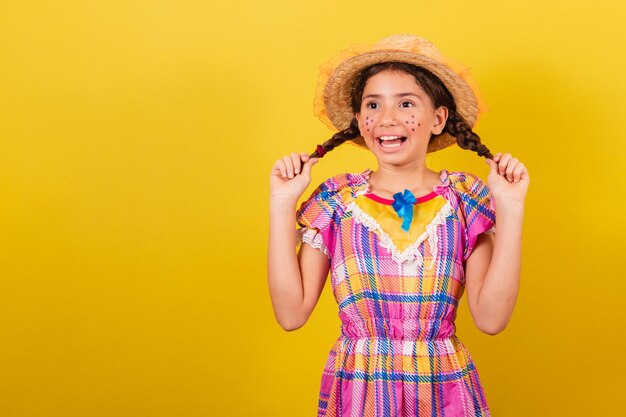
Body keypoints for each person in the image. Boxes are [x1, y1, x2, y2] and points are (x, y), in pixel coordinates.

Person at [267, 34, 529, 417]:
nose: (387, 119)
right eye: (373, 105)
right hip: (361, 392)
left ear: (438, 119)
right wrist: (281, 202)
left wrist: (511, 207)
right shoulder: (337, 201)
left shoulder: (464, 199)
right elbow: (291, 315)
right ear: (360, 121)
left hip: (443, 392)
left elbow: (491, 319)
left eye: (406, 103)